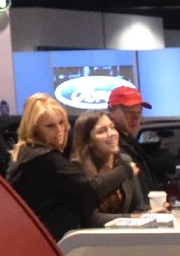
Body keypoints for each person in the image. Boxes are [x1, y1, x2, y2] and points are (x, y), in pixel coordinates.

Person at [7, 93, 109, 240]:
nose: (59, 131)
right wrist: (126, 170)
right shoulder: (48, 161)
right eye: (50, 126)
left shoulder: (23, 156)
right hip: (49, 244)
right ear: (34, 129)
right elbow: (93, 189)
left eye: (61, 123)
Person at [68, 112, 142, 218]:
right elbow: (90, 220)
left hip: (126, 232)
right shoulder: (77, 168)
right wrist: (130, 218)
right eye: (102, 131)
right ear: (89, 141)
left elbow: (139, 207)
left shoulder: (124, 160)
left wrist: (149, 215)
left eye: (112, 127)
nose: (111, 133)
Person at [106, 84, 166, 203]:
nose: (135, 117)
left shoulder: (132, 142)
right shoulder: (110, 146)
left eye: (139, 112)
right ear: (111, 111)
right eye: (128, 112)